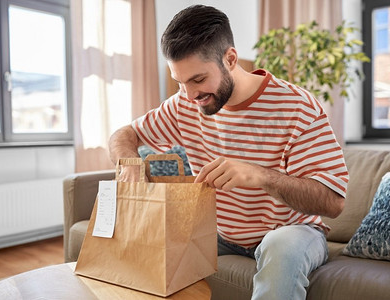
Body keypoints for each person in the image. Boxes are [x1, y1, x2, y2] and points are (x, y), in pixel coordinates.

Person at [109, 5, 348, 300]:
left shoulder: (297, 107)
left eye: (198, 80)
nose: (189, 94)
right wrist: (130, 163)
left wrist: (259, 176)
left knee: (280, 246)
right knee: (146, 250)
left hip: (293, 231)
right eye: (179, 82)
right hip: (219, 234)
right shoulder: (185, 104)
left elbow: (334, 201)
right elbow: (123, 135)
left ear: (230, 59)